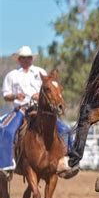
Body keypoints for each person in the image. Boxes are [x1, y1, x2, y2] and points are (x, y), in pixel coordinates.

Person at [0, 46, 71, 178]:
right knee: (7, 130)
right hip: (21, 109)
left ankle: (67, 161)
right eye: (24, 58)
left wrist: (39, 95)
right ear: (19, 59)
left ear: (32, 58)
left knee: (65, 130)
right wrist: (15, 96)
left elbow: (48, 88)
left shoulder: (40, 72)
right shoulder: (12, 75)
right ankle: (6, 165)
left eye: (29, 57)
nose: (27, 60)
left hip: (40, 109)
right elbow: (5, 95)